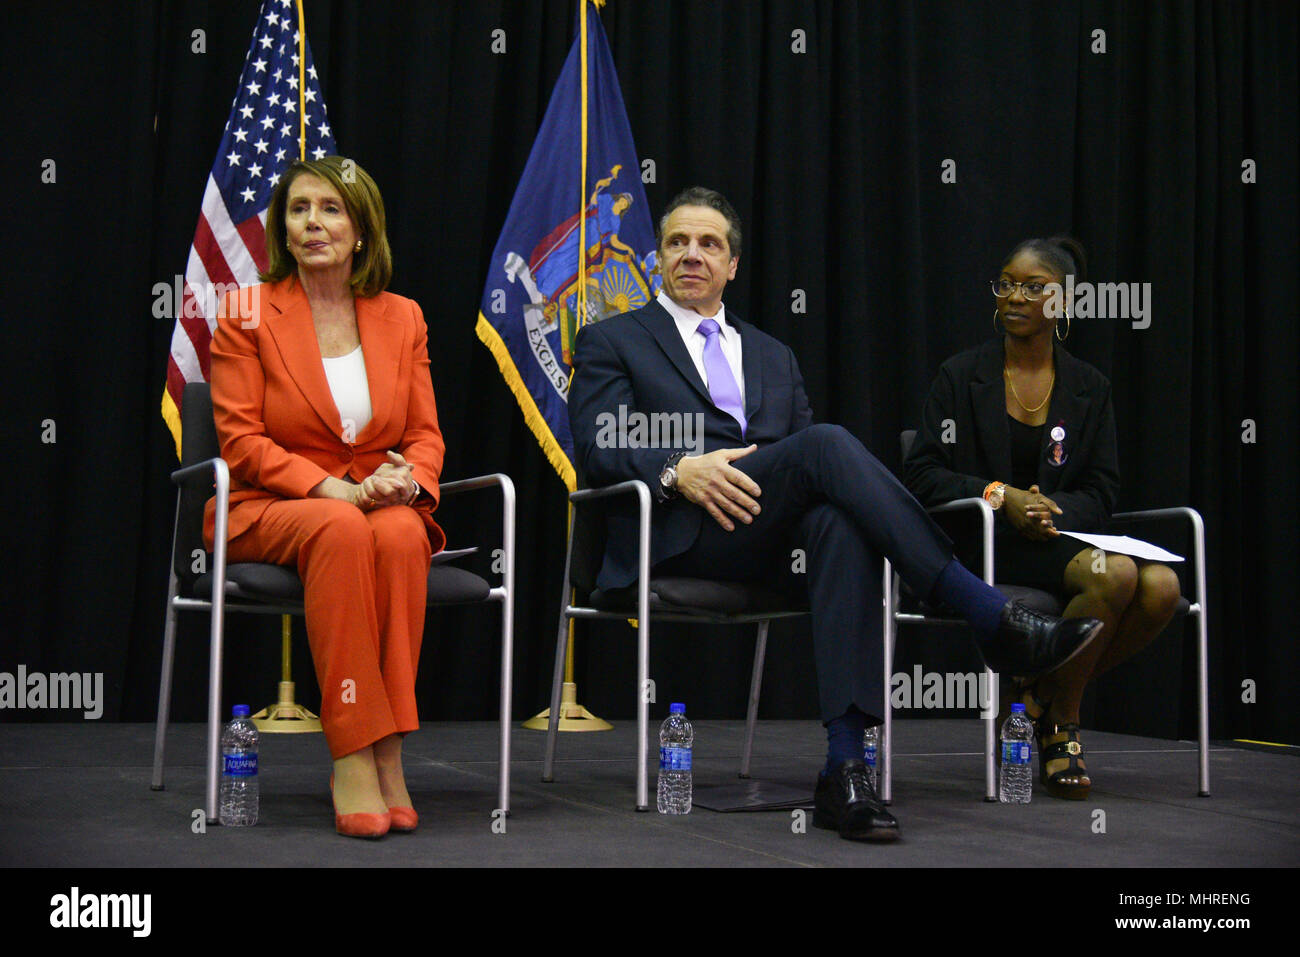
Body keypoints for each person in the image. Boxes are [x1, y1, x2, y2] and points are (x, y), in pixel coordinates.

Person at [567, 187, 1104, 841]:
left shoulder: (771, 354)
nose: (691, 254)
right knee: (826, 448)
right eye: (677, 242)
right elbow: (598, 445)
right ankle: (986, 612)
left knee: (840, 520)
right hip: (679, 531)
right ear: (657, 258)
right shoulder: (612, 338)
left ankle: (845, 770)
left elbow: (811, 478)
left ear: (732, 265)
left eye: (709, 243)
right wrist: (679, 467)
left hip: (767, 537)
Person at [204, 156, 445, 838]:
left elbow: (426, 435)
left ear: (362, 229)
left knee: (401, 532)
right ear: (283, 226)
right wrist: (341, 490)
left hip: (377, 502)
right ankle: (352, 749)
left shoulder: (403, 317)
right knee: (341, 528)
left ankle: (390, 747)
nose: (314, 222)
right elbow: (242, 441)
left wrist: (407, 480)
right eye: (300, 208)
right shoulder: (247, 311)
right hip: (267, 504)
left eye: (332, 208)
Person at [903, 236, 1182, 799]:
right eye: (1006, 283)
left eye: (1034, 287)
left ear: (1065, 302)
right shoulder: (961, 376)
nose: (1014, 296)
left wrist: (1049, 510)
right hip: (982, 541)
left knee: (1164, 588)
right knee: (1118, 575)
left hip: (1055, 539)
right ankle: (1061, 729)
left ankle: (1040, 689)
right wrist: (1002, 496)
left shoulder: (1089, 387)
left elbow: (1100, 491)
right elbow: (922, 475)